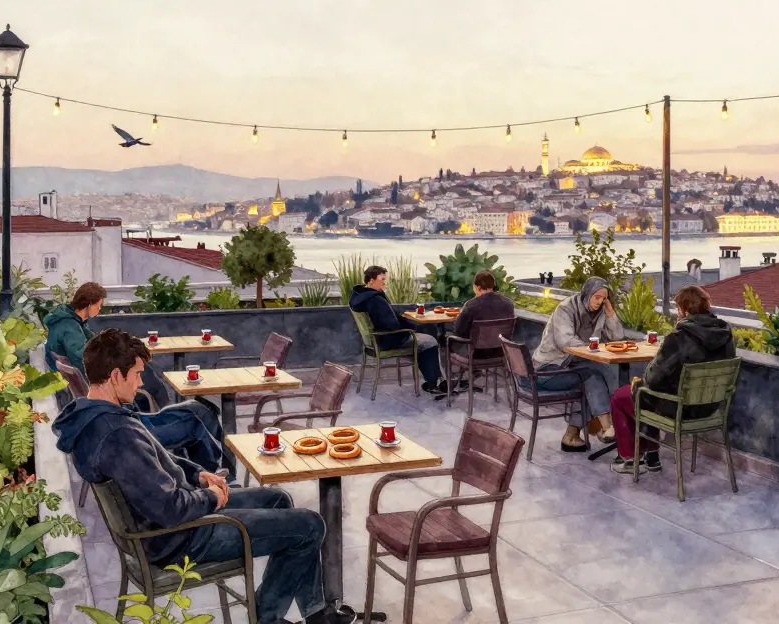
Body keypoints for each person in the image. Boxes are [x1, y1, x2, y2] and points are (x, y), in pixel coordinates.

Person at [52, 328, 355, 624]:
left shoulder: (96, 417)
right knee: (309, 525)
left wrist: (199, 475)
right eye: (137, 374)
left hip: (172, 526)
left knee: (278, 498)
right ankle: (267, 617)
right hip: (181, 538)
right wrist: (210, 497)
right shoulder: (117, 435)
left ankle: (315, 612)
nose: (141, 382)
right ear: (116, 376)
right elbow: (170, 509)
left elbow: (161, 460)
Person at [44, 282, 226, 473]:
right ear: (88, 304)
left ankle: (206, 467)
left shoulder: (72, 323)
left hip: (118, 412)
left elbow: (97, 347)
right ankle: (215, 474)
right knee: (197, 414)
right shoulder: (70, 328)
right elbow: (89, 361)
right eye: (99, 305)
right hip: (128, 420)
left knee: (195, 408)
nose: (100, 310)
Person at [609, 285, 734, 475]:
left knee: (624, 395)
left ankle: (629, 458)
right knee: (648, 392)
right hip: (710, 407)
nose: (677, 313)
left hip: (681, 409)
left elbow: (653, 379)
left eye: (678, 308)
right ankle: (651, 455)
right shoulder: (725, 333)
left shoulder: (679, 337)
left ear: (685, 310)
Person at [530, 276, 623, 452]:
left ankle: (572, 436)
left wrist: (610, 313)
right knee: (590, 377)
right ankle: (606, 427)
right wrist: (590, 349)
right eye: (597, 297)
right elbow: (565, 342)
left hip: (571, 365)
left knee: (595, 377)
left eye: (604, 298)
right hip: (548, 368)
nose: (600, 302)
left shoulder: (601, 311)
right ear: (587, 294)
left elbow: (617, 337)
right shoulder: (565, 308)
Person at [349, 265, 444, 394]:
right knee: (430, 341)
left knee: (424, 333)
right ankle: (435, 383)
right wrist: (411, 329)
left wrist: (412, 326)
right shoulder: (376, 299)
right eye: (382, 279)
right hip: (389, 340)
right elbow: (392, 325)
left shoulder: (359, 296)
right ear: (371, 280)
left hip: (375, 340)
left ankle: (436, 380)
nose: (385, 283)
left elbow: (389, 319)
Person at [442, 270, 516, 399]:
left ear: (477, 287)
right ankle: (472, 375)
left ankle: (449, 381)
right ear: (492, 285)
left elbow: (458, 330)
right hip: (500, 353)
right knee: (470, 342)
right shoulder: (508, 304)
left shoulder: (472, 305)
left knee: (444, 339)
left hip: (475, 355)